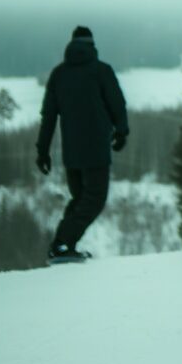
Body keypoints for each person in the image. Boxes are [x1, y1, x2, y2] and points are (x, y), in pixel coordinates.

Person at [36, 26, 129, 261]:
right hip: (96, 149)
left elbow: (48, 116)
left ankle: (64, 246)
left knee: (79, 199)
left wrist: (43, 150)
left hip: (72, 153)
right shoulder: (101, 71)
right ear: (92, 45)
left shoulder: (59, 74)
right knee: (95, 199)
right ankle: (62, 244)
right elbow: (117, 104)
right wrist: (121, 132)